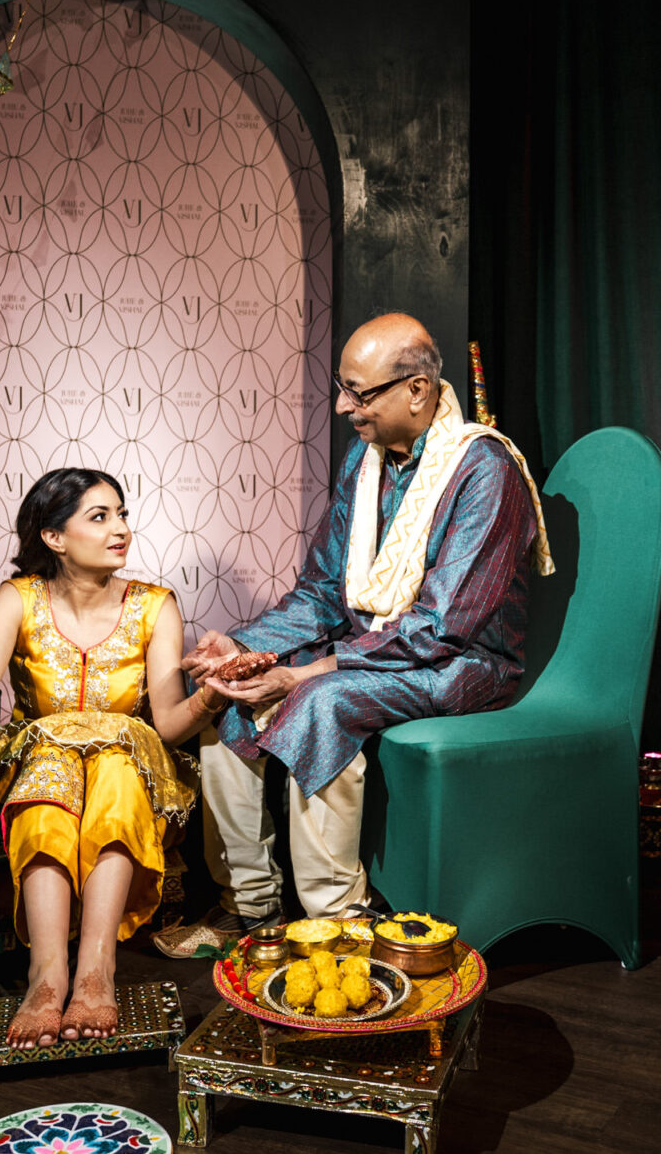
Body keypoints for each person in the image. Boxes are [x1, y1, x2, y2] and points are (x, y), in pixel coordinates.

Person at [180, 312, 554, 938]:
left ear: (416, 389)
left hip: (465, 663)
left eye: (359, 392)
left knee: (321, 701)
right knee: (228, 698)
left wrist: (310, 671)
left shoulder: (485, 471)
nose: (341, 406)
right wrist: (248, 648)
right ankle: (250, 906)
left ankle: (337, 918)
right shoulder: (366, 460)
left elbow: (441, 628)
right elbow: (325, 590)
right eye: (342, 386)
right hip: (381, 647)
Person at [0, 468, 227, 1048]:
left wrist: (216, 694)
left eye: (121, 514)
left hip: (131, 759)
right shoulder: (17, 599)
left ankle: (97, 969)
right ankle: (47, 975)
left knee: (114, 767)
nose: (121, 528)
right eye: (100, 517)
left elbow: (167, 721)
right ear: (53, 537)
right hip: (39, 755)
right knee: (50, 768)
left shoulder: (155, 605)